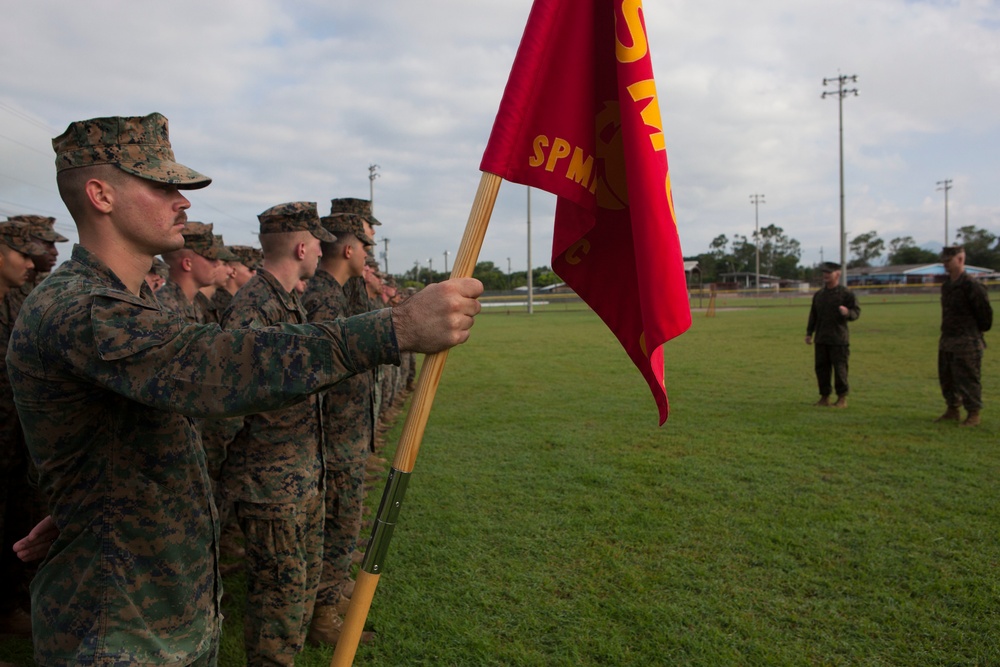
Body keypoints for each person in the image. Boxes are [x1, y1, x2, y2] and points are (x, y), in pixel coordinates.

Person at [7, 112, 482, 667]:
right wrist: (395, 328)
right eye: (163, 185)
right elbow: (217, 366)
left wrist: (89, 500)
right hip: (119, 630)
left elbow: (132, 423)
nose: (183, 200)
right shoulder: (80, 307)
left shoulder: (127, 302)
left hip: (156, 604)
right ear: (100, 194)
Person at [218, 201, 336, 665]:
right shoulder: (254, 308)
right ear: (302, 245)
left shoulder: (286, 302)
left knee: (298, 592)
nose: (323, 249)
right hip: (270, 486)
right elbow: (226, 407)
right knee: (276, 603)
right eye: (318, 241)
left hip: (299, 475)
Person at [301, 211, 376, 646]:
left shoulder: (339, 292)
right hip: (334, 435)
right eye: (365, 245)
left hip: (345, 431)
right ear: (348, 250)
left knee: (344, 521)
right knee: (337, 522)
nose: (368, 253)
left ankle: (331, 592)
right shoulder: (325, 299)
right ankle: (323, 615)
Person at [0, 221, 44, 638]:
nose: (32, 263)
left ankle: (7, 609)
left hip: (12, 445)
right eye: (23, 254)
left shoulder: (16, 301)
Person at [936, 246, 992, 426]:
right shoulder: (947, 286)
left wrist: (973, 333)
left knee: (968, 378)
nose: (945, 264)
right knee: (947, 378)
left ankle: (973, 413)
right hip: (948, 340)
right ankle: (952, 409)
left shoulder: (972, 285)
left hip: (967, 341)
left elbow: (985, 317)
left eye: (948, 261)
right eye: (943, 261)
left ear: (960, 259)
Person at [805, 262, 860, 407]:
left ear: (838, 274)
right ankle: (824, 397)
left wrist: (847, 312)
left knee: (840, 369)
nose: (825, 275)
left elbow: (856, 312)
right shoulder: (819, 295)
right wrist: (809, 333)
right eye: (824, 272)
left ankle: (842, 398)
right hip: (821, 338)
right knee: (821, 369)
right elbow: (813, 315)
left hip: (838, 339)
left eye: (829, 272)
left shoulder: (846, 294)